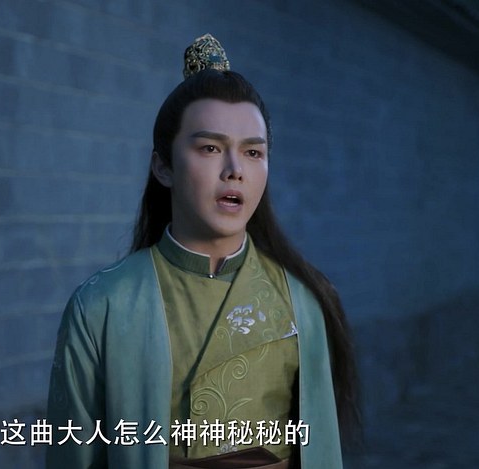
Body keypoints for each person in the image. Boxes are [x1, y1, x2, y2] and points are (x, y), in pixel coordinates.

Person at [46, 34, 359, 469]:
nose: (235, 170)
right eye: (210, 148)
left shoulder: (302, 301)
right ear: (163, 166)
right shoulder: (103, 304)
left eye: (253, 152)